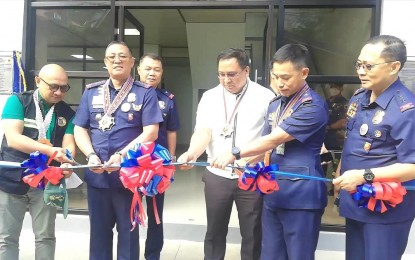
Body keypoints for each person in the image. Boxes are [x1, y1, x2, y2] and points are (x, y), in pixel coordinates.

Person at [211, 44, 329, 260]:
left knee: (298, 255)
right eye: (275, 77)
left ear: (304, 73)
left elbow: (277, 138)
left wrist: (235, 152)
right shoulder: (276, 104)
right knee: (270, 255)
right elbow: (266, 146)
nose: (279, 83)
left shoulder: (312, 106)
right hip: (273, 193)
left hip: (300, 196)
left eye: (286, 77)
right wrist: (245, 165)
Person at [178, 48, 274, 260]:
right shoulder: (210, 97)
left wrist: (249, 159)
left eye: (232, 74)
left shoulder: (266, 97)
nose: (225, 79)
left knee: (252, 232)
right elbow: (203, 131)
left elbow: (271, 140)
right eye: (221, 74)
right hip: (217, 174)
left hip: (251, 175)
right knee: (214, 231)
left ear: (246, 70)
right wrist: (192, 153)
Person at [73, 41, 163, 260]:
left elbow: (150, 131)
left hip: (128, 178)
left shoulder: (145, 93)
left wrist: (122, 155)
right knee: (99, 236)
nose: (117, 60)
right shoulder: (91, 92)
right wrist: (90, 154)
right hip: (97, 178)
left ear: (132, 62)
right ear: (105, 62)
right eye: (112, 56)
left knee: (128, 235)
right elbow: (79, 128)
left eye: (123, 56)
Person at [333, 35, 415, 260]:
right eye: (359, 64)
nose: (361, 71)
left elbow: (412, 166)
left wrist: (363, 176)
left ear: (394, 67)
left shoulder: (406, 110)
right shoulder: (358, 99)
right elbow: (352, 141)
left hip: (386, 210)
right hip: (357, 201)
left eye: (368, 66)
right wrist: (341, 172)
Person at [0, 64, 75, 260]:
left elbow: (68, 144)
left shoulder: (66, 112)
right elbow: (14, 138)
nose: (59, 92)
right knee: (6, 237)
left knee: (45, 237)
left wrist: (67, 162)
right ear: (38, 81)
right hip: (11, 179)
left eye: (64, 88)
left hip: (46, 183)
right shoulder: (18, 101)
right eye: (53, 87)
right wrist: (50, 150)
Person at [137, 53, 180, 260]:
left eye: (156, 69)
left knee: (155, 213)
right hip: (132, 166)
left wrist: (170, 160)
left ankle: (153, 254)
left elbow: (171, 131)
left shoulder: (167, 100)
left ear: (161, 73)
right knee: (131, 209)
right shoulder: (131, 96)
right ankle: (129, 252)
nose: (151, 73)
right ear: (138, 70)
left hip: (157, 166)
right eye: (147, 68)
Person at [325, 83, 347, 150]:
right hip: (324, 139)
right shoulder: (326, 102)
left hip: (336, 139)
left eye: (335, 87)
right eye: (331, 87)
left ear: (341, 88)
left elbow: (343, 122)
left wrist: (328, 127)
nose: (332, 89)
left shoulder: (344, 103)